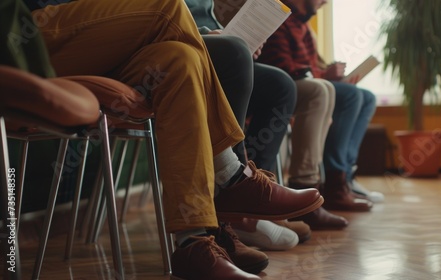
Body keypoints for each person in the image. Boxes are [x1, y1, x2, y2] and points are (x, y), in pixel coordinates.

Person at [21, 0, 324, 278]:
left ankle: (193, 242)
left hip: (102, 42)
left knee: (182, 59)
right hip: (29, 36)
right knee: (170, 6)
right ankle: (232, 176)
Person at [185, 0, 313, 250]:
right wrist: (210, 36)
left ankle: (255, 198)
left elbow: (206, 17)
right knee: (232, 52)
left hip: (206, 48)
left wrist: (236, 36)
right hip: (174, 50)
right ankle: (233, 204)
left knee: (280, 85)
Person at [257, 0, 376, 212]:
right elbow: (283, 68)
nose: (324, 2)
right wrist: (325, 75)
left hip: (308, 83)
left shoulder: (303, 25)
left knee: (366, 97)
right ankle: (329, 182)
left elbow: (311, 69)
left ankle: (344, 176)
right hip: (290, 86)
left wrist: (329, 74)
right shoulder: (280, 18)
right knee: (348, 95)